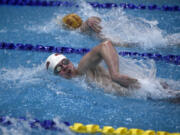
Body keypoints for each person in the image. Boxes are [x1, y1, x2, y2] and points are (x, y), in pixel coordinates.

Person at [45, 40, 180, 98]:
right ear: (57, 75)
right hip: (145, 92)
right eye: (59, 69)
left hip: (145, 89)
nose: (65, 67)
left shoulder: (82, 68)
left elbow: (105, 45)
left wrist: (115, 74)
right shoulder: (78, 81)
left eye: (65, 62)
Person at [58, 13, 136, 47]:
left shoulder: (80, 30)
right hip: (109, 37)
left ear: (70, 27)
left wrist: (90, 21)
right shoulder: (81, 28)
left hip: (109, 40)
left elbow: (87, 23)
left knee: (127, 45)